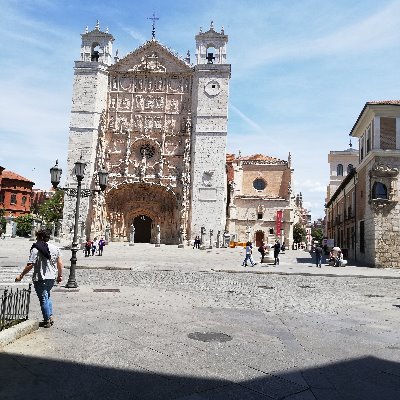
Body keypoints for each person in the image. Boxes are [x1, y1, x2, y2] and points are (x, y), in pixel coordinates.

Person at [15, 229, 63, 328]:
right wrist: (60, 275)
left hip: (41, 277)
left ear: (40, 237)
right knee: (47, 296)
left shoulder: (36, 248)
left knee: (43, 299)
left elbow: (30, 265)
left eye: (37, 236)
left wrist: (21, 275)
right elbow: (60, 263)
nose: (36, 238)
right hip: (51, 277)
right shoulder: (55, 248)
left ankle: (47, 320)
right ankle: (50, 316)